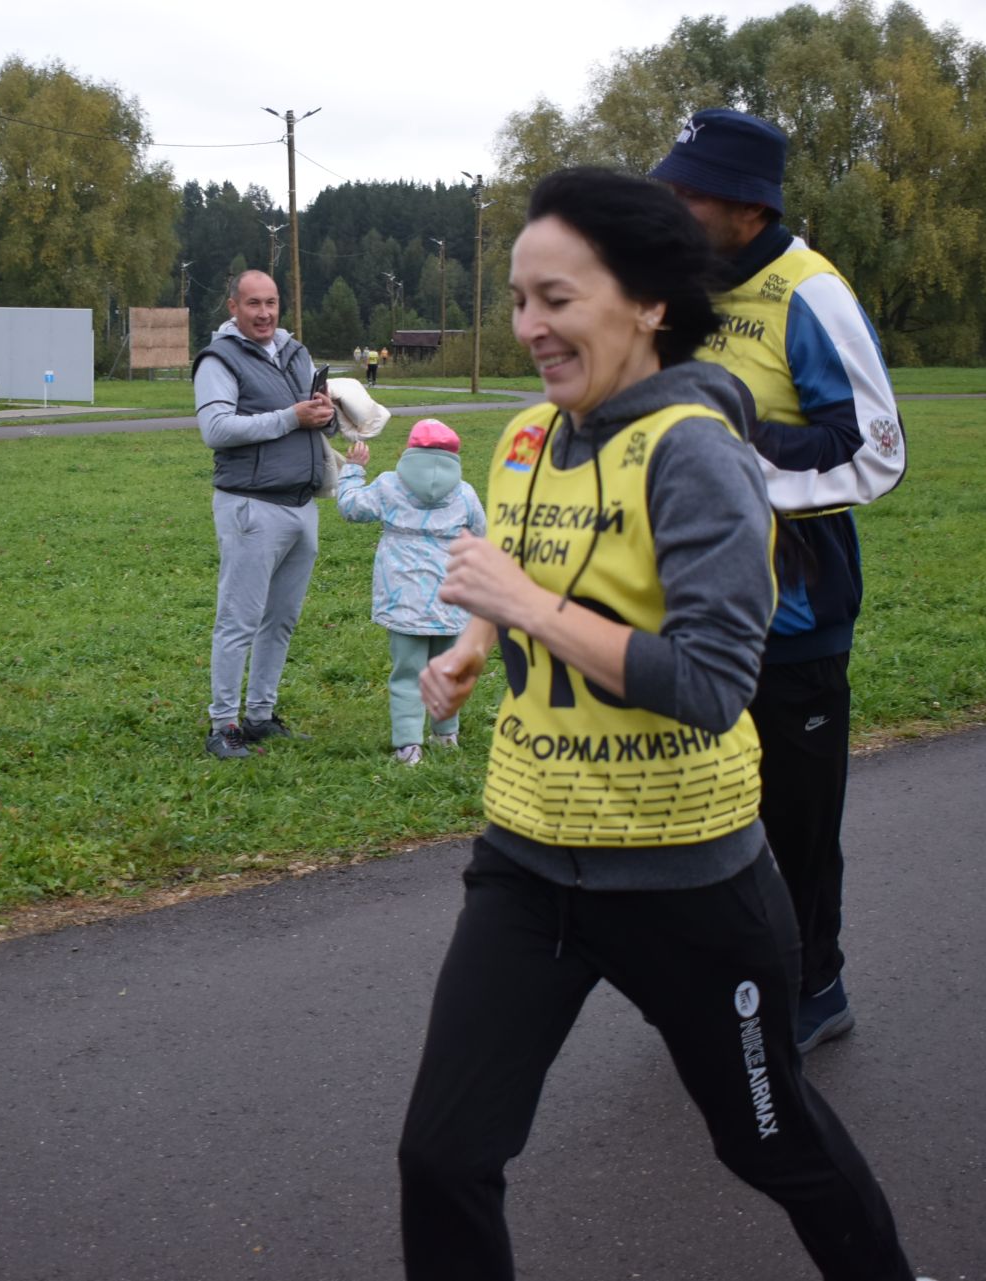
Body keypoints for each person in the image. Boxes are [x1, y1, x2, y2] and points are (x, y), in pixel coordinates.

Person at [397, 168, 924, 1281]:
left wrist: (529, 609)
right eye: (520, 300)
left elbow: (712, 682)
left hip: (685, 879)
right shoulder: (529, 439)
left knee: (767, 1138)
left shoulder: (699, 454)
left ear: (647, 302)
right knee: (444, 1157)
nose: (530, 327)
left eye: (557, 299)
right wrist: (474, 648)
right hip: (529, 862)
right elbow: (515, 582)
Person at [653, 109, 908, 1052]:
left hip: (796, 614)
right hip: (695, 613)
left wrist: (733, 460)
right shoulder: (687, 288)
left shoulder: (813, 292)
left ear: (747, 204)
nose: (674, 206)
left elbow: (876, 454)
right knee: (703, 815)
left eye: (691, 193)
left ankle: (815, 987)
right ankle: (731, 981)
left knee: (793, 824)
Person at [193, 269, 336, 758]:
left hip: (300, 504)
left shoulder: (295, 352)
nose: (265, 313)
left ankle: (259, 716)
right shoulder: (220, 358)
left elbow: (319, 423)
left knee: (280, 620)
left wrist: (325, 413)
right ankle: (223, 725)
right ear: (232, 306)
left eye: (272, 302)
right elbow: (216, 429)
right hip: (251, 507)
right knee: (239, 619)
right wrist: (290, 417)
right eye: (253, 303)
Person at [334, 418, 486, 765]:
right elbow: (480, 534)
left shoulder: (389, 486)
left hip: (403, 599)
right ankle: (446, 734)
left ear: (409, 451)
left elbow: (351, 508)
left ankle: (408, 746)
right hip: (451, 600)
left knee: (408, 673)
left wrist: (353, 471)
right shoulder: (464, 492)